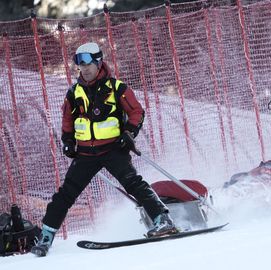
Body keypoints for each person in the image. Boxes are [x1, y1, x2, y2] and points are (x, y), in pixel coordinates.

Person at [31, 42, 178, 256]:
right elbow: (67, 122)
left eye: (89, 64)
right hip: (85, 154)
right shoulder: (74, 93)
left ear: (99, 63)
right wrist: (68, 141)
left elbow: (137, 112)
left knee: (133, 184)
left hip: (112, 150)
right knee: (65, 195)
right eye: (81, 65)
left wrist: (128, 133)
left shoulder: (117, 88)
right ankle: (45, 237)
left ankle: (162, 220)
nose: (85, 69)